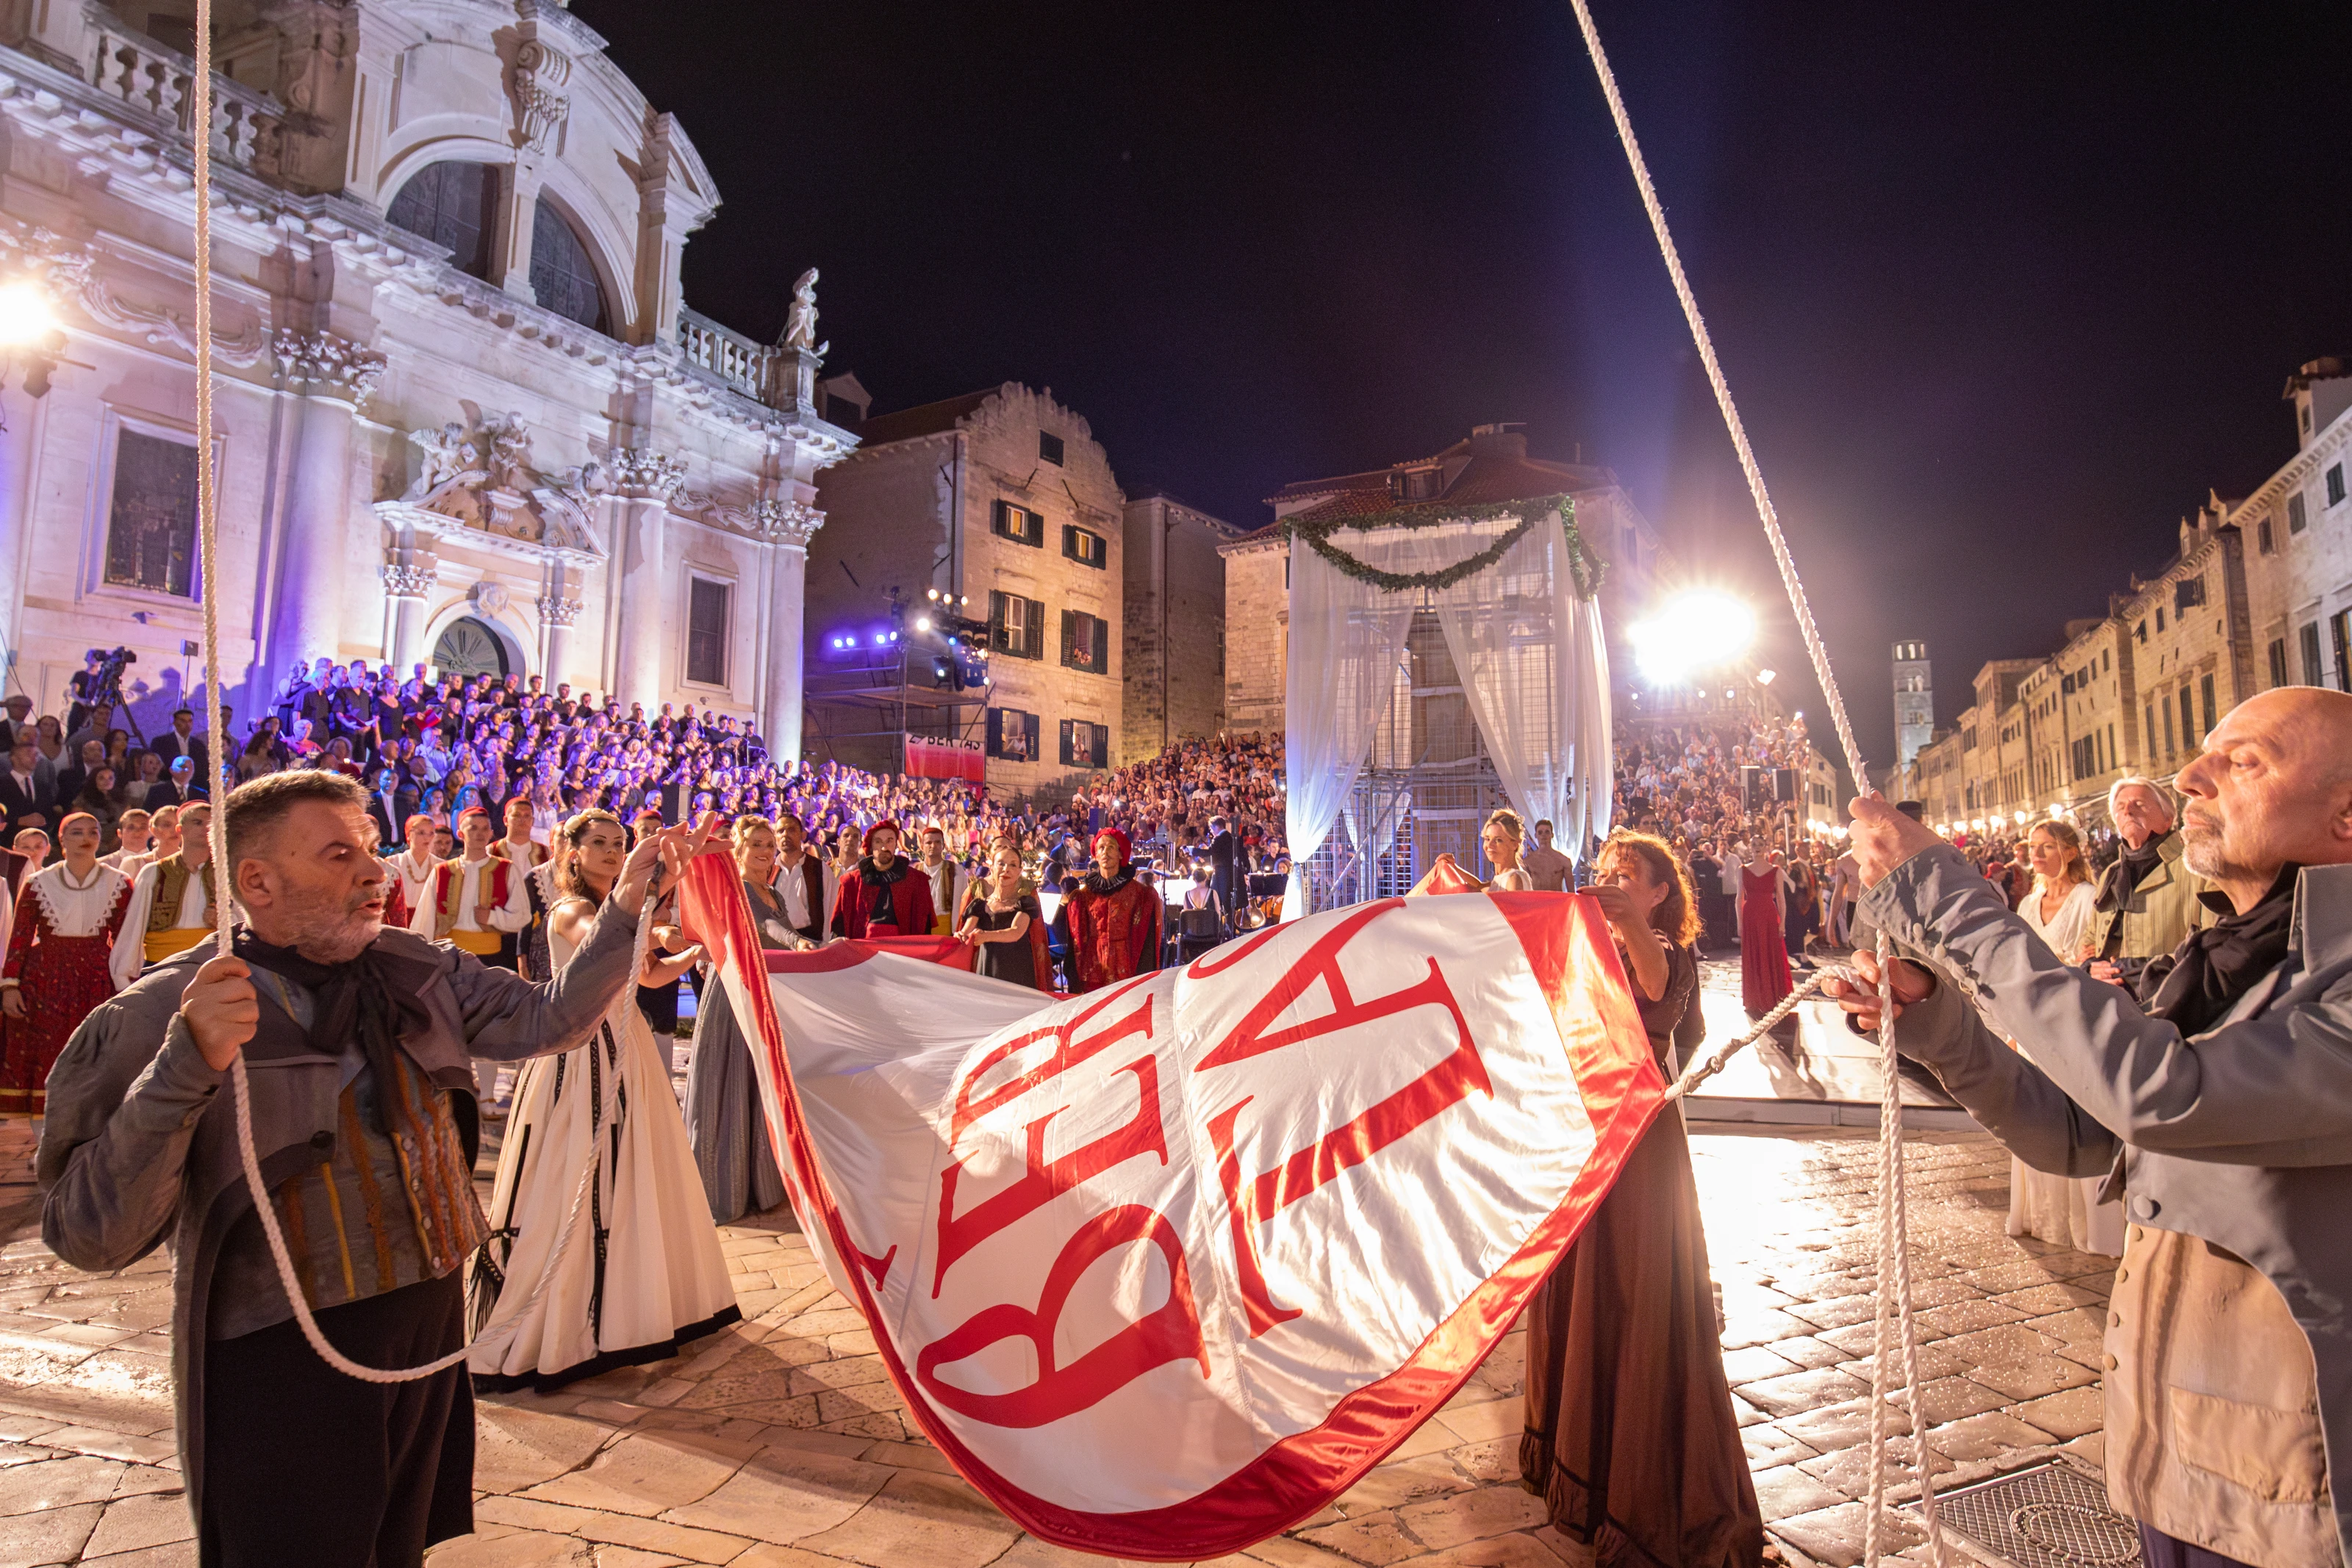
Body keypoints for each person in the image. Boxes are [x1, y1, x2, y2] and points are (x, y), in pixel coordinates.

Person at [39, 770, 699, 1566]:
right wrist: (186, 1064)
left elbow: (548, 1017)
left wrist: (625, 909)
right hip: (281, 1359)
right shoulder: (165, 1011)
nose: (374, 871)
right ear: (258, 879)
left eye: (369, 848)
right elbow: (88, 1233)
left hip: (426, 1329)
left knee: (394, 1551)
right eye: (339, 853)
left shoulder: (414, 968)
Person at [1828, 687, 2352, 1568]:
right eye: (2203, 756)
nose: (2188, 778)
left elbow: (2158, 1094)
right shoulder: (2228, 959)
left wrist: (1948, 902)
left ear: (2346, 818)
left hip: (2302, 1493)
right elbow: (2076, 1134)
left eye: (2244, 763)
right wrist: (1932, 1024)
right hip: (2178, 1454)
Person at [1520, 828, 1763, 1567]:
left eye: (1631, 874)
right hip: (1579, 1136)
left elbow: (1656, 999)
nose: (1612, 878)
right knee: (1577, 1293)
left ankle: (1637, 1478)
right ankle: (1575, 1459)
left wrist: (1624, 919)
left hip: (1639, 1146)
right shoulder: (1584, 949)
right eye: (1608, 869)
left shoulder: (1667, 953)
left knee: (1635, 1292)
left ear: (1660, 892)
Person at [470, 809, 732, 1392]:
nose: (613, 852)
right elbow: (594, 943)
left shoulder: (621, 909)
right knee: (577, 1176)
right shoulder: (571, 909)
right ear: (572, 852)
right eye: (601, 844)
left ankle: (627, 1308)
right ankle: (568, 1315)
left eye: (620, 844)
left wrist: (698, 953)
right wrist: (655, 899)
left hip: (627, 1047)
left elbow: (648, 977)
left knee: (634, 1173)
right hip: (579, 1051)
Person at [2002, 818, 2120, 1256]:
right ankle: (2044, 1218)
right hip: (2033, 1020)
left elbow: (2093, 952)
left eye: (2047, 847)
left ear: (2069, 852)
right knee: (2037, 1113)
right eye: (2033, 847)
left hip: (2072, 1015)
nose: (2036, 855)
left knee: (2076, 1111)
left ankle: (2090, 1225)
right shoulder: (2029, 904)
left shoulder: (2088, 898)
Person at [683, 816, 796, 1225]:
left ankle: (759, 1184)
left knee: (757, 1087)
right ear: (739, 850)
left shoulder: (774, 893)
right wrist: (800, 941)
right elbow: (764, 928)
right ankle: (722, 1187)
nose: (766, 852)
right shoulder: (741, 890)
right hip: (733, 996)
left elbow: (774, 927)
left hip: (761, 997)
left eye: (770, 845)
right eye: (757, 845)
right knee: (729, 1084)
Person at [1, 813, 132, 1114]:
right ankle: (44, 1144)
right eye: (76, 832)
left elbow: (125, 940)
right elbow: (19, 939)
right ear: (61, 840)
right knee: (45, 1057)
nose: (86, 838)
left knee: (92, 1058)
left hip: (97, 980)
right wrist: (10, 986)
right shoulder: (38, 882)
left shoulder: (119, 883)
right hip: (45, 980)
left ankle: (83, 1142)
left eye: (93, 832)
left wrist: (125, 987)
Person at [2087, 776, 2206, 996]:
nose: (2128, 811)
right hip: (2114, 1000)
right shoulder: (2111, 874)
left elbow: (2214, 940)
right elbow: (2089, 940)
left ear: (2168, 819)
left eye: (2139, 805)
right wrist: (2091, 967)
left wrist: (2141, 968)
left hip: (2171, 1000)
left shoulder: (2194, 866)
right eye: (2120, 807)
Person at [110, 801, 220, 985]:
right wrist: (123, 975)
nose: (206, 828)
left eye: (211, 824)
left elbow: (244, 923)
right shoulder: (153, 872)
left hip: (210, 967)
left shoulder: (226, 875)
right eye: (198, 822)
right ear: (180, 829)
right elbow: (134, 925)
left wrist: (223, 920)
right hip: (160, 966)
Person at [1064, 827, 1161, 991]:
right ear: (1095, 853)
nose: (1105, 852)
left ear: (1121, 854)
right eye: (1101, 847)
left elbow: (1147, 940)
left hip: (1126, 965)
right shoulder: (1082, 895)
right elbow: (1075, 939)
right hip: (1092, 966)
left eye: (1111, 847)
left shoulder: (1141, 895)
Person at [956, 840, 1050, 993]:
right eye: (1001, 864)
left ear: (1020, 870)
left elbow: (1016, 932)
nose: (1006, 869)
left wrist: (985, 936)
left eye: (1013, 865)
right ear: (992, 868)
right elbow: (965, 932)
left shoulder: (1025, 903)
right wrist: (960, 935)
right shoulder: (979, 905)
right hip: (987, 972)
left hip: (1018, 973)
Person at [831, 819, 933, 940]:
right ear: (871, 846)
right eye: (878, 842)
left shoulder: (917, 881)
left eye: (889, 841)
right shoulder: (851, 882)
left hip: (902, 951)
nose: (884, 847)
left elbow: (924, 928)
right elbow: (840, 928)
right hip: (864, 952)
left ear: (896, 844)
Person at [1735, 843, 1791, 1015]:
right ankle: (1754, 998)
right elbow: (1739, 898)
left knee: (1770, 952)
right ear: (1750, 848)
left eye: (1760, 843)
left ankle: (1772, 996)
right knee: (1754, 953)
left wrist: (1782, 923)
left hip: (1769, 915)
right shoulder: (1742, 870)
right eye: (1754, 844)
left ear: (1766, 847)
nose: (1757, 847)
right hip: (1751, 915)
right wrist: (1740, 922)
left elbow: (1781, 898)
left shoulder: (1776, 870)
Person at [772, 810, 825, 945]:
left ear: (803, 835)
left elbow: (830, 909)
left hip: (810, 942)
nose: (785, 834)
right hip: (775, 942)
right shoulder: (767, 871)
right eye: (780, 831)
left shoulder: (820, 869)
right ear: (775, 837)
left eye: (791, 830)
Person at [915, 824, 961, 935]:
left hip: (947, 928)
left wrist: (957, 930)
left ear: (943, 846)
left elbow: (962, 903)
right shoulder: (915, 871)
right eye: (929, 843)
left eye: (937, 842)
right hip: (921, 928)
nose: (933, 846)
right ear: (922, 846)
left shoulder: (955, 870)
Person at [1483, 809, 1535, 891]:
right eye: (1487, 839)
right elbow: (1477, 887)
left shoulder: (1514, 879)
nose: (1489, 845)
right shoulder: (1501, 877)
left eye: (1498, 840)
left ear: (1514, 844)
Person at [1523, 817, 1574, 892]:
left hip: (1557, 902)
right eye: (1540, 832)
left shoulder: (1564, 861)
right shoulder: (1528, 862)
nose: (1544, 835)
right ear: (1536, 835)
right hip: (1535, 902)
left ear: (1552, 835)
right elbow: (1524, 890)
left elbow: (1571, 892)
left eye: (1547, 832)